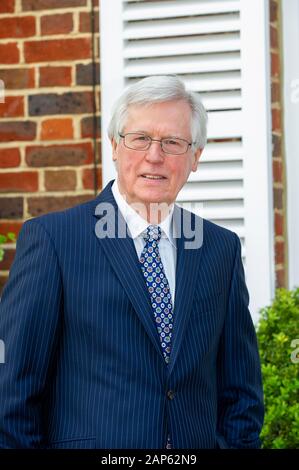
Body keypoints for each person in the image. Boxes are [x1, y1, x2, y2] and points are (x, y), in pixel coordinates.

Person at [0, 75, 264, 449]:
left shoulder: (219, 249)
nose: (154, 156)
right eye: (139, 139)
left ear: (195, 158)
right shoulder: (54, 241)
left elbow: (242, 391)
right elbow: (12, 392)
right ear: (114, 146)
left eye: (172, 142)